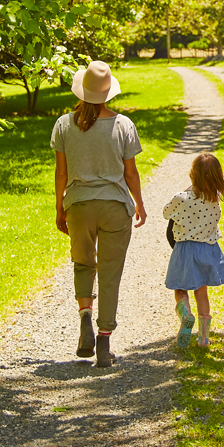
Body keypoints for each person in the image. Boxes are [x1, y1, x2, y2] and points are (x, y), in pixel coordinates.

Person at [51, 61, 146, 367]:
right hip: (115, 207)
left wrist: (59, 207)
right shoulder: (123, 125)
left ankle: (85, 319)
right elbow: (130, 174)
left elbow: (61, 173)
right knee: (109, 272)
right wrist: (139, 204)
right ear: (108, 93)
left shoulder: (64, 124)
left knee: (83, 264)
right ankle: (104, 342)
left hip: (78, 205)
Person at [163, 152, 224, 349]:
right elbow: (220, 189)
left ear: (192, 174)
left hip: (184, 249)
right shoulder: (215, 198)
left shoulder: (182, 198)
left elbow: (165, 212)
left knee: (180, 288)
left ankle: (186, 315)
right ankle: (203, 338)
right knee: (202, 293)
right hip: (207, 250)